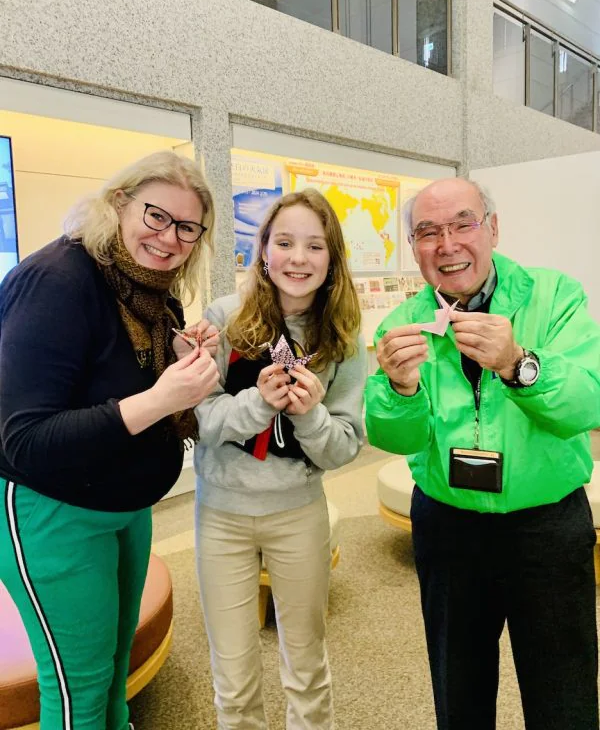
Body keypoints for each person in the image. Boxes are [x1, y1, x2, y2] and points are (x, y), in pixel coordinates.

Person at [365, 177, 600, 730]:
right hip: (448, 527)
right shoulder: (403, 323)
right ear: (414, 245)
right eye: (427, 232)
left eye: (462, 224)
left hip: (547, 524)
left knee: (563, 691)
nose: (446, 244)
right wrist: (397, 390)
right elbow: (394, 439)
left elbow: (586, 401)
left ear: (492, 228)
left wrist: (519, 362)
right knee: (459, 686)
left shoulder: (554, 295)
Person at [0, 151, 220, 730]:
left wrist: (173, 362)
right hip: (52, 510)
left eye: (187, 228)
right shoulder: (56, 280)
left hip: (124, 508)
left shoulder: (151, 290)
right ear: (119, 203)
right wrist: (160, 398)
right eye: (156, 216)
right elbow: (24, 437)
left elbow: (114, 380)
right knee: (78, 690)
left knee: (114, 672)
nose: (169, 238)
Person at [194, 188, 367, 729]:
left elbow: (343, 445)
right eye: (285, 242)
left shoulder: (342, 336)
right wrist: (256, 402)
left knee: (307, 666)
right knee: (234, 673)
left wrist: (310, 414)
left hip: (299, 515)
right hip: (220, 516)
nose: (298, 258)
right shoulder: (224, 318)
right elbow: (198, 420)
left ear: (332, 258)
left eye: (315, 246)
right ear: (262, 250)